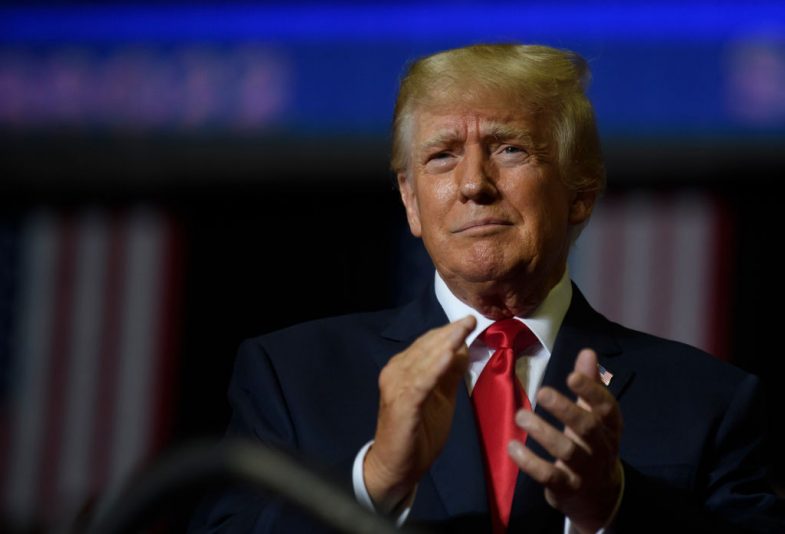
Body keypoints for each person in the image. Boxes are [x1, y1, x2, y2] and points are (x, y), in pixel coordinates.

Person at [191, 44, 783, 533]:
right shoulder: (291, 377)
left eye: (509, 149)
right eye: (443, 156)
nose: (474, 183)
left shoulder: (710, 403)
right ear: (410, 201)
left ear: (580, 190)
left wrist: (614, 508)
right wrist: (373, 486)